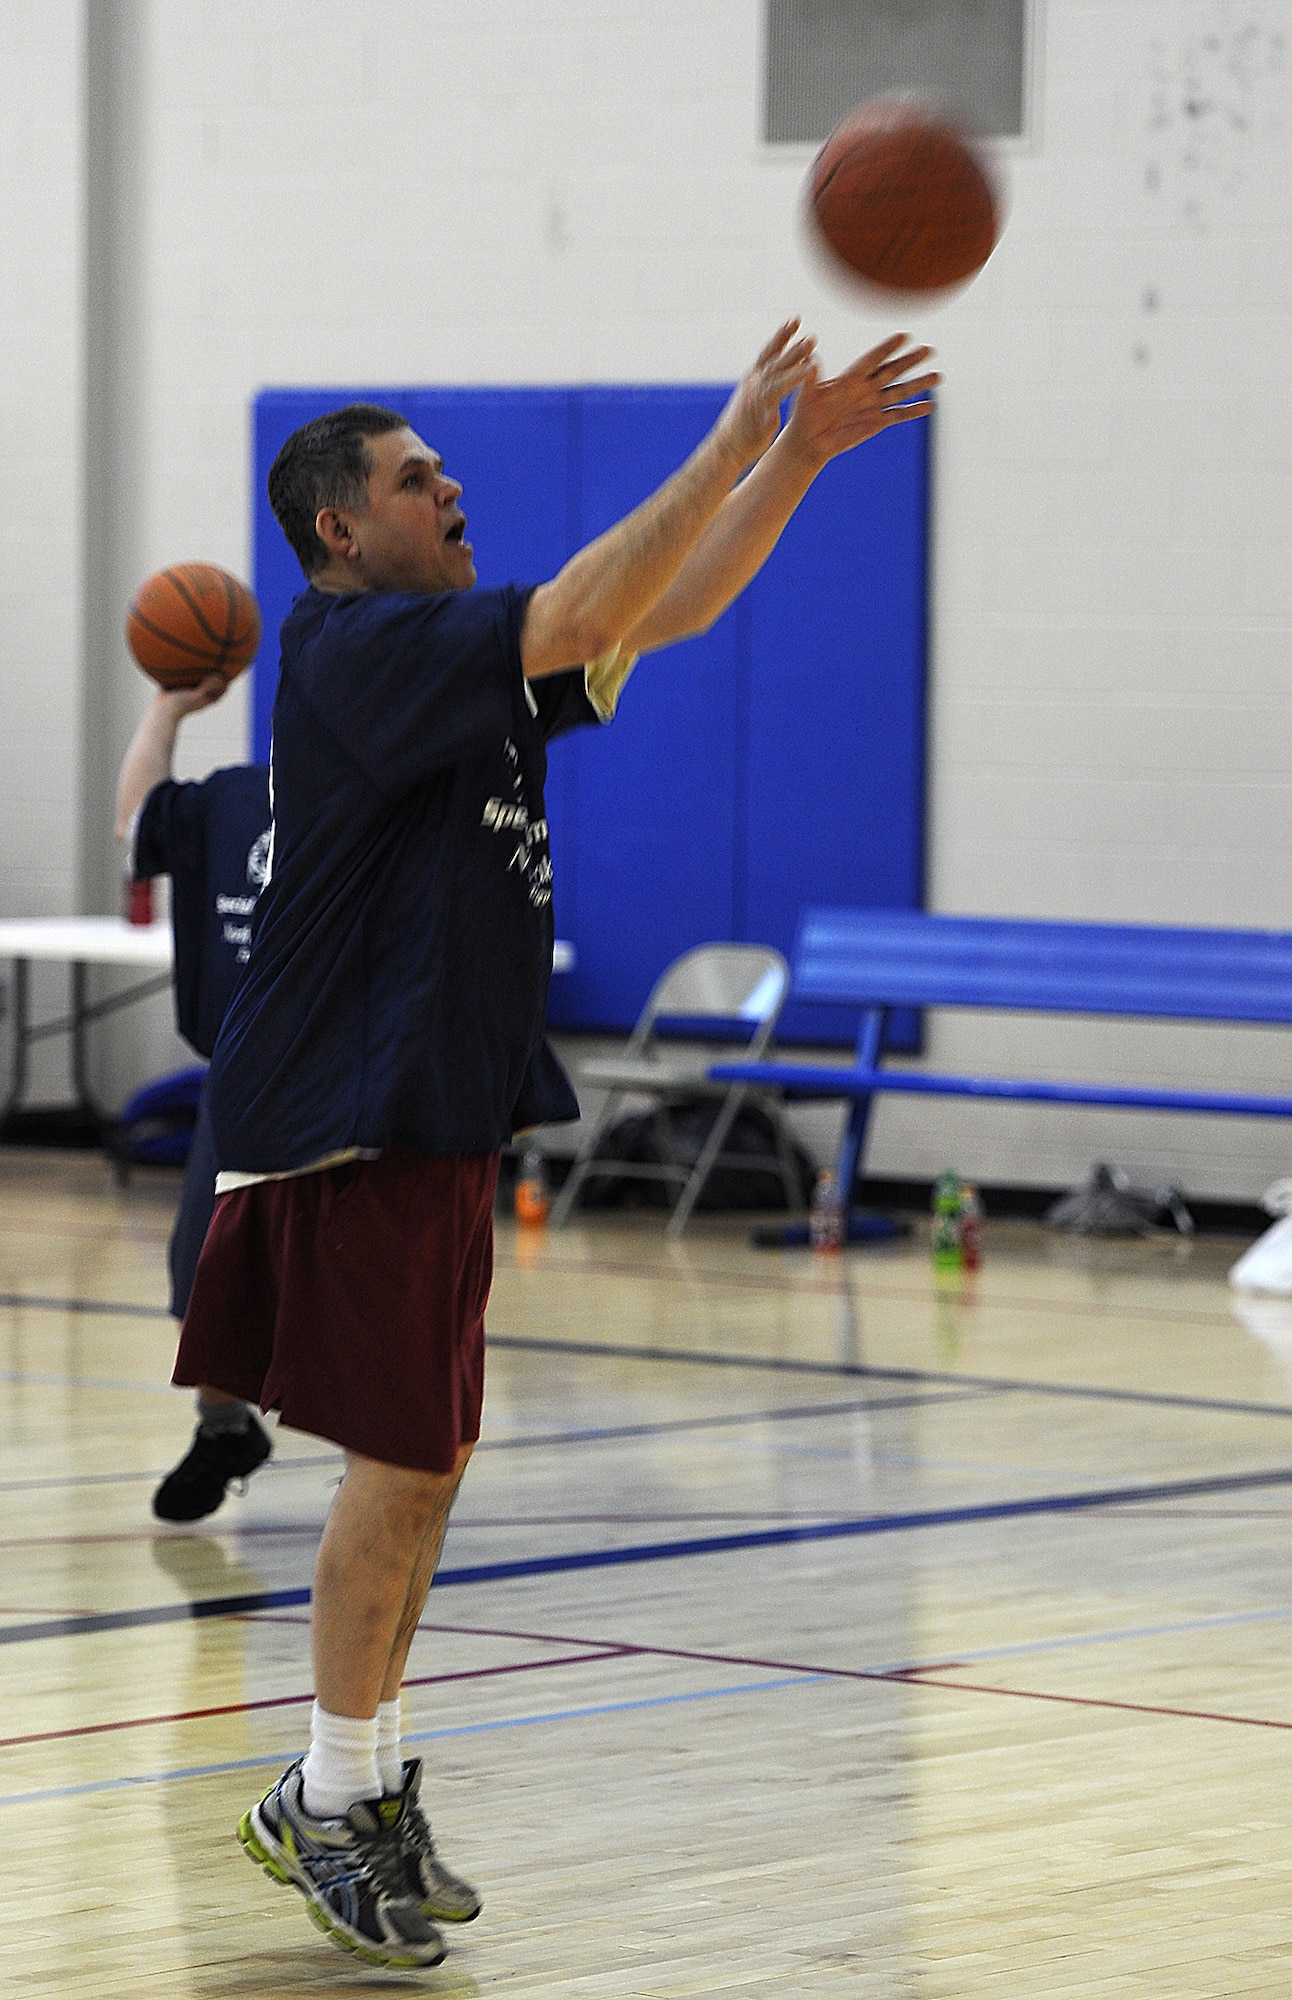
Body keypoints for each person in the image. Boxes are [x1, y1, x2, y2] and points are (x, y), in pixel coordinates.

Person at [174, 321, 939, 1969]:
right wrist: (733, 431)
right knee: (398, 1464)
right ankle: (326, 1791)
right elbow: (592, 602)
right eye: (410, 476)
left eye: (443, 470)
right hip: (344, 1117)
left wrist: (797, 458)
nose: (447, 487)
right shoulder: (351, 647)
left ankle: (354, 1785)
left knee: (429, 1465)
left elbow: (660, 610)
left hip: (438, 1108)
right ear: (338, 527)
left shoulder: (463, 666)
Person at [114, 684, 275, 1521]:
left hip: (351, 1083)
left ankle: (389, 1457)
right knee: (205, 1277)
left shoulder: (387, 797)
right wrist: (169, 707)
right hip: (240, 1076)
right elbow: (136, 823)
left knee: (355, 1290)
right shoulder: (234, 797)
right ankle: (222, 1425)